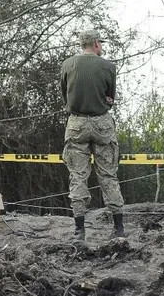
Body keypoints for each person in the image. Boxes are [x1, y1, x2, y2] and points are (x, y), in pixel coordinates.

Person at [59, 28, 125, 240]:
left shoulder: (67, 65)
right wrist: (104, 101)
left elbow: (65, 94)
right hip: (102, 124)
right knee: (108, 175)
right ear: (96, 43)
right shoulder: (108, 66)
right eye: (101, 44)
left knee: (78, 176)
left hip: (76, 123)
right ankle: (118, 229)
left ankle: (79, 231)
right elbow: (110, 97)